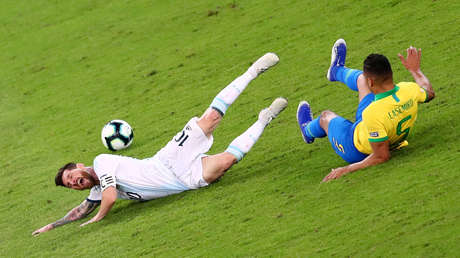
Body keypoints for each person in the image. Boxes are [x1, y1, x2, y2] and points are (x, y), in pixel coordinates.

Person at [32, 53, 288, 236]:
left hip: (167, 159)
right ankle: (265, 119)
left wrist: (97, 219)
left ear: (78, 166)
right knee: (226, 162)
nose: (74, 182)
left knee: (210, 119)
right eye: (70, 185)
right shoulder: (96, 190)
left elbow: (108, 199)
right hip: (182, 182)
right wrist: (53, 225)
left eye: (71, 176)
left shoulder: (102, 162)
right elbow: (82, 209)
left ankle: (252, 71)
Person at [297, 39, 435, 182]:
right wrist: (415, 70)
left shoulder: (372, 113)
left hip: (354, 147)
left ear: (372, 82)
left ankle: (307, 130)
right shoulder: (409, 89)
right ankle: (335, 70)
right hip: (373, 124)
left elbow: (382, 156)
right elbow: (429, 92)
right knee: (361, 79)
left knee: (325, 117)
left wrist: (345, 169)